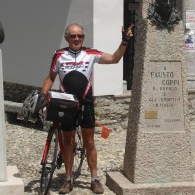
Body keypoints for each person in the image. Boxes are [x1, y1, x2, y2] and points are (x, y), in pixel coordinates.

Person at [39, 22, 134, 194]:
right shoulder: (59, 55)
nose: (77, 39)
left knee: (89, 142)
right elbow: (51, 77)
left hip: (85, 103)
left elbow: (114, 59)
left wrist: (125, 41)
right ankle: (68, 180)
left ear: (83, 37)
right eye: (73, 36)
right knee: (68, 142)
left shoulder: (90, 53)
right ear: (66, 38)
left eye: (80, 36)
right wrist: (41, 94)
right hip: (66, 104)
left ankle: (94, 179)